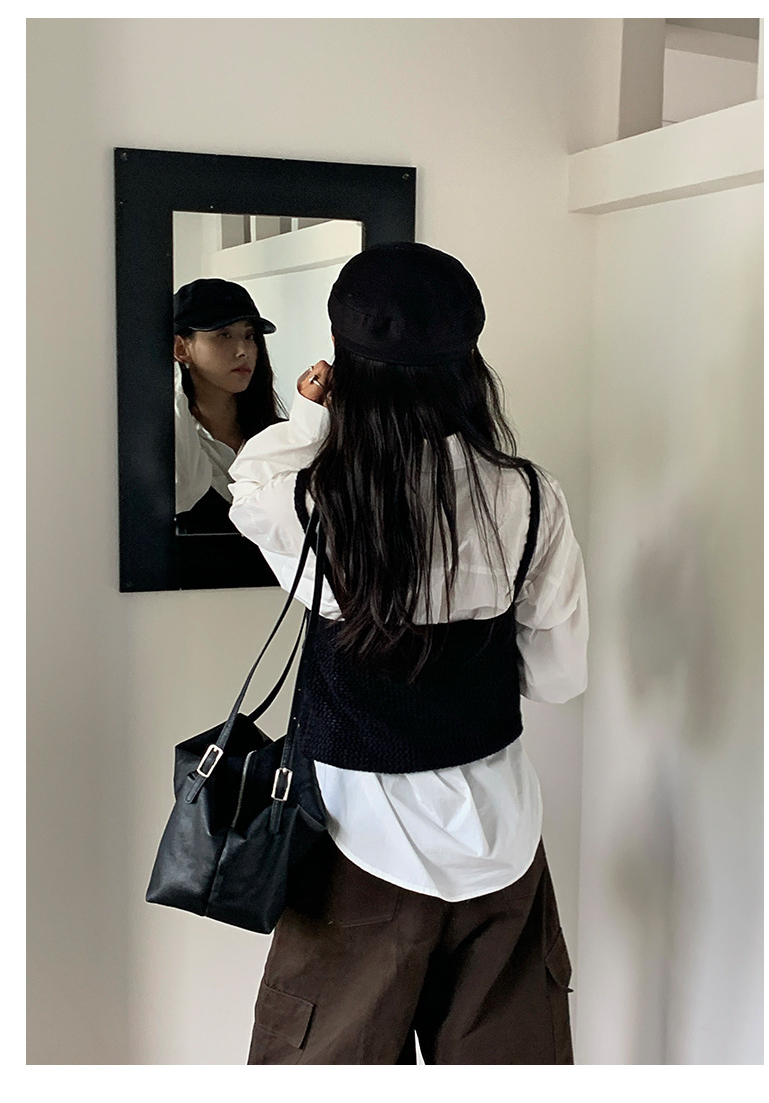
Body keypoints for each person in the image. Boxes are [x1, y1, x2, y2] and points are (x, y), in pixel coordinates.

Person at [228, 242, 589, 1065]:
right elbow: (559, 675)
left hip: (353, 848)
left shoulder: (311, 501)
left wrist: (312, 417)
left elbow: (248, 486)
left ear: (342, 358)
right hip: (501, 841)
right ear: (469, 362)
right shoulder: (531, 496)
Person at [173, 277, 283, 533]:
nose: (243, 350)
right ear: (181, 348)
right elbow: (181, 496)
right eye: (224, 335)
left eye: (250, 336)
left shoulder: (278, 437)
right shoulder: (176, 444)